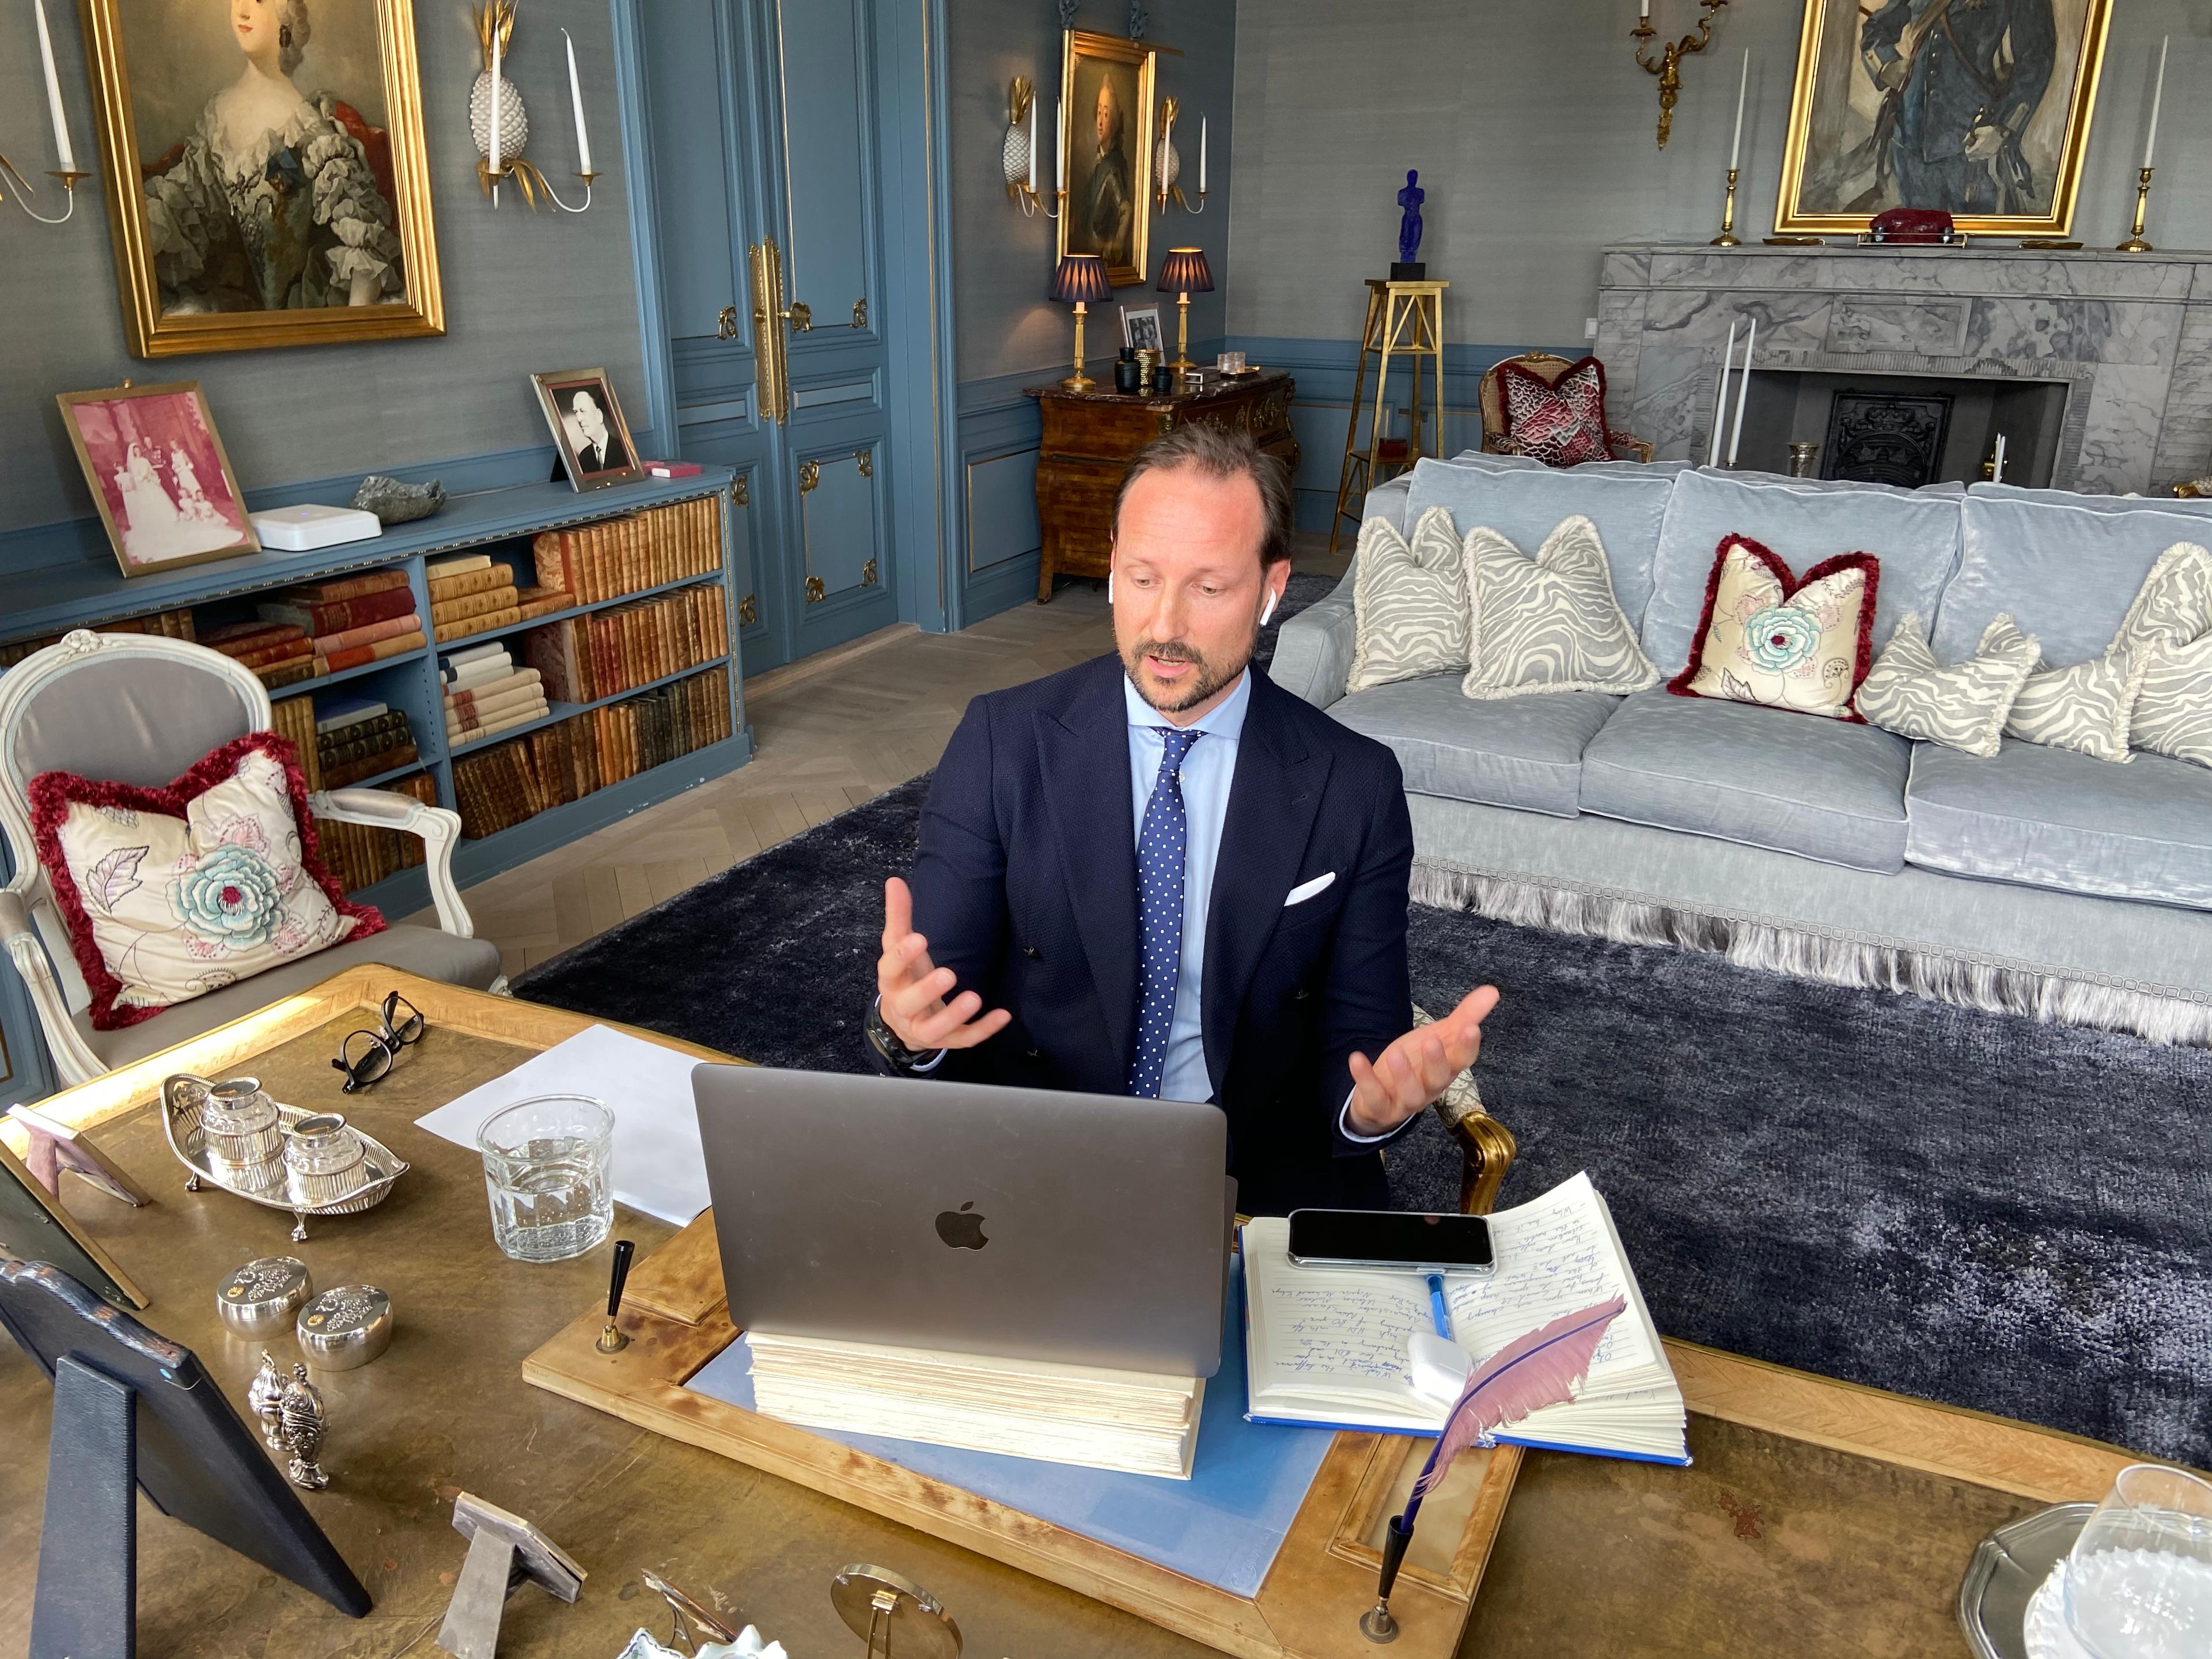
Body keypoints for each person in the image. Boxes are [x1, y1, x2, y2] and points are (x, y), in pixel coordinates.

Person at [868, 424, 1498, 1215]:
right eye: (1142, 578)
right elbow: (934, 994)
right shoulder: (1000, 742)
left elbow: (1361, 1038)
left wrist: (1370, 1110)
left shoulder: (1355, 784)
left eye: (1208, 588)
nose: (1164, 626)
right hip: (1037, 1153)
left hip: (1255, 1163)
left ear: (1272, 589)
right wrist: (907, 1029)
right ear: (1111, 567)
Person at [143, 0, 404, 315]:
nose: (241, 10)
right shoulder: (217, 117)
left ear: (286, 17)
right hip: (240, 312)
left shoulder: (309, 126)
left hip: (305, 311)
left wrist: (355, 328)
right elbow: (178, 209)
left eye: (259, 1)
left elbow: (362, 241)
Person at [1859, 0, 2056, 215]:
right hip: (1910, 142)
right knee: (1917, 231)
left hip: (1972, 148)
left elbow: (2036, 60)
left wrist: (2002, 128)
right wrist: (1886, 66)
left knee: (1976, 233)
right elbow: (1875, 30)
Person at [1084, 77, 1134, 270]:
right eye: (1099, 113)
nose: (1100, 122)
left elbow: (1126, 210)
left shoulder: (1112, 167)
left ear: (1113, 120)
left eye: (1106, 115)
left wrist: (1113, 249)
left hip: (1103, 263)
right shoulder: (1098, 161)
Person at [567, 389, 628, 474]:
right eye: (576, 412)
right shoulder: (584, 456)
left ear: (599, 415)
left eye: (583, 411)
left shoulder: (623, 449)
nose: (579, 419)